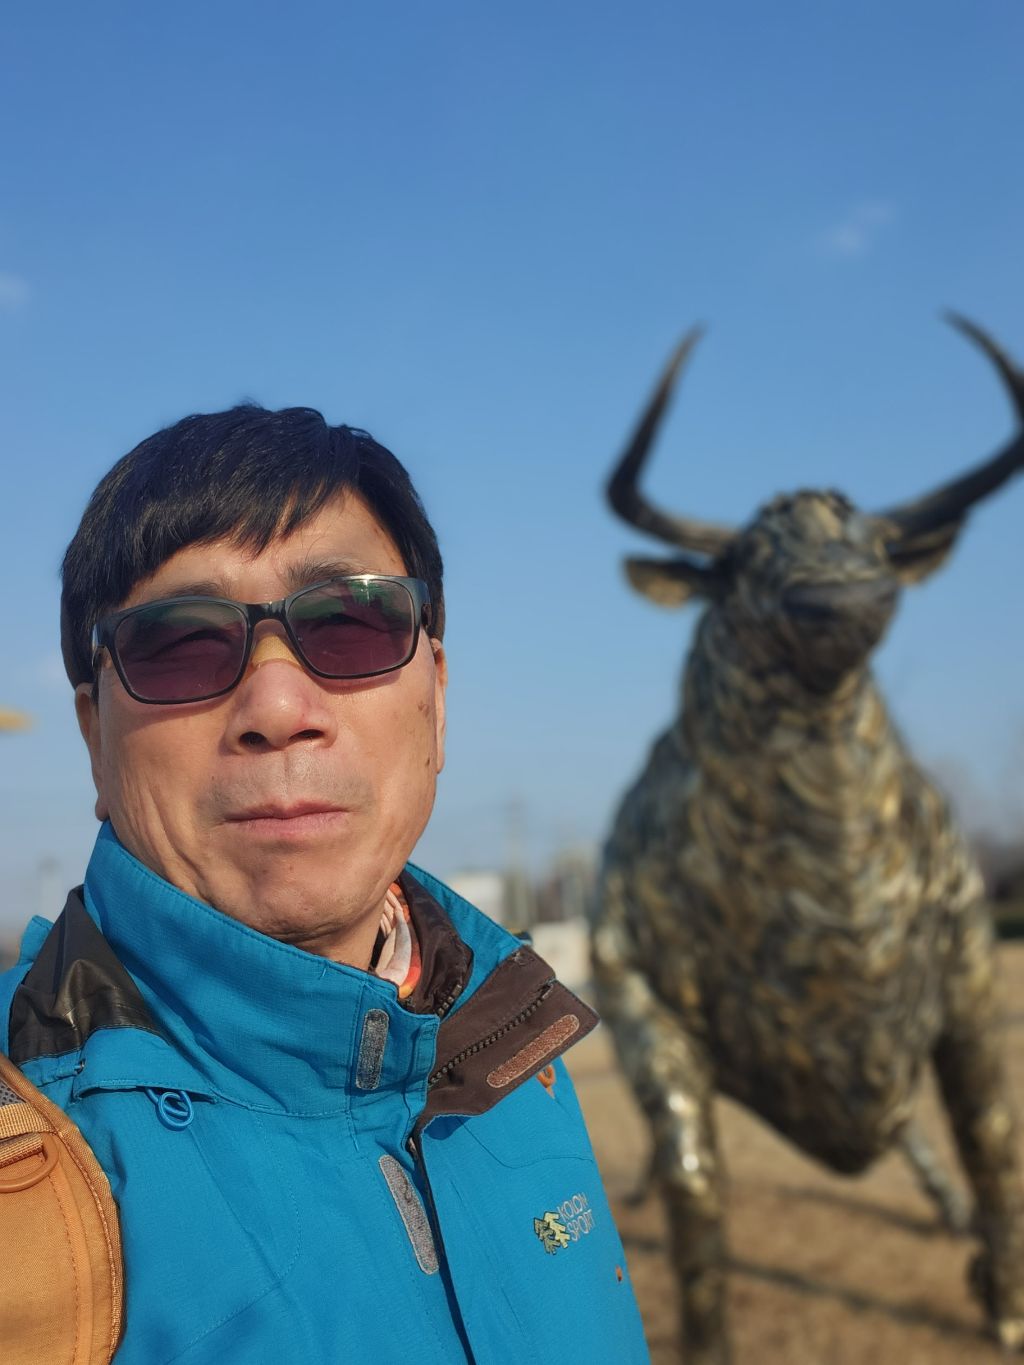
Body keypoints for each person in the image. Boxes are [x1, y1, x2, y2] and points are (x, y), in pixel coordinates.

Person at [0, 406, 650, 1364]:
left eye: (350, 622)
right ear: (95, 735)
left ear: (436, 699)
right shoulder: (30, 1171)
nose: (276, 704)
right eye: (179, 642)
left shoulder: (512, 1039)